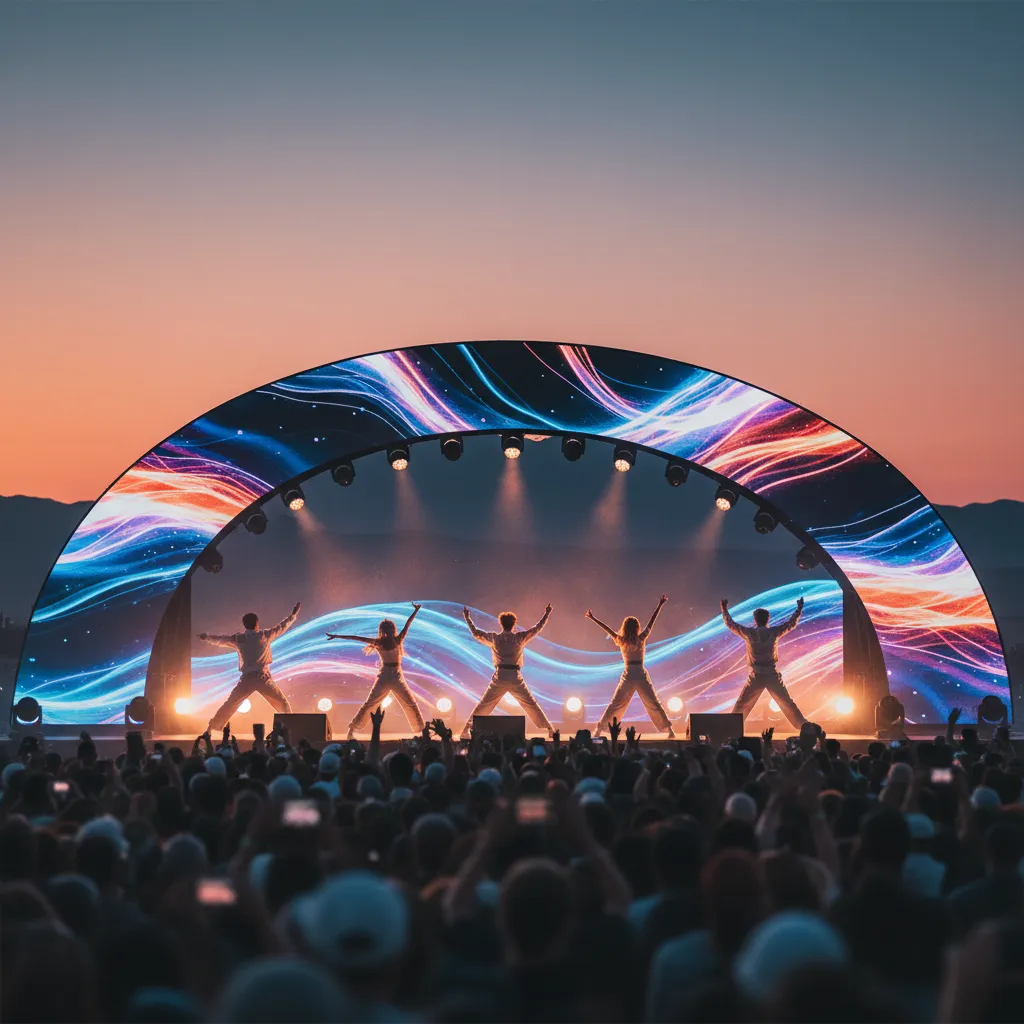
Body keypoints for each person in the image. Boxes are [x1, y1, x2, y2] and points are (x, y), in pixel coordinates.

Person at [327, 603, 425, 738]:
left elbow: (408, 624)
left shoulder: (398, 640)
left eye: (390, 629)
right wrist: (337, 636)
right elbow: (356, 638)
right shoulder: (378, 642)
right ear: (383, 631)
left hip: (396, 675)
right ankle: (353, 729)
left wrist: (416, 611)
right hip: (385, 675)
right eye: (386, 630)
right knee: (371, 703)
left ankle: (421, 730)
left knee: (410, 702)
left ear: (392, 630)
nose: (388, 632)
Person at [198, 603, 300, 732]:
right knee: (282, 704)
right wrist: (293, 615)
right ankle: (291, 730)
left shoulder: (239, 638)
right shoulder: (265, 635)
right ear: (257, 623)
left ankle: (210, 730)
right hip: (263, 678)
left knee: (230, 704)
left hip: (247, 679)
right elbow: (282, 627)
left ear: (244, 625)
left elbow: (220, 640)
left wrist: (206, 637)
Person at [460, 604, 555, 738]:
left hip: (500, 676)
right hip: (515, 677)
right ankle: (550, 730)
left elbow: (476, 633)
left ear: (501, 623)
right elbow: (537, 629)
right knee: (531, 704)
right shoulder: (519, 638)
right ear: (514, 624)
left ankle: (466, 729)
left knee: (485, 704)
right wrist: (547, 613)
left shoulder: (495, 638)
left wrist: (467, 617)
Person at [586, 595, 675, 738]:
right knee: (653, 702)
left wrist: (593, 618)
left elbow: (607, 629)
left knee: (615, 704)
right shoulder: (640, 638)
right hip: (639, 673)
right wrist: (660, 605)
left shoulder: (621, 640)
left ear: (625, 627)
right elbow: (651, 622)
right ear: (636, 628)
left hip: (629, 674)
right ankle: (670, 731)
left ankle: (598, 730)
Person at [721, 597, 806, 729]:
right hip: (771, 674)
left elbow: (731, 624)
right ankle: (803, 726)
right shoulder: (773, 632)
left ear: (755, 620)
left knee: (742, 704)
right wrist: (799, 609)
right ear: (768, 619)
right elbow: (791, 624)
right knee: (787, 702)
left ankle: (731, 729)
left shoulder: (749, 633)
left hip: (756, 675)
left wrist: (724, 609)